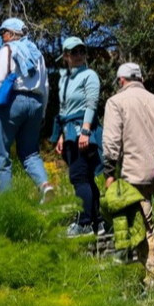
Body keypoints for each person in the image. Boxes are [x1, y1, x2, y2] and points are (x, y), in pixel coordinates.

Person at [0, 17, 54, 200]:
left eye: (3, 33)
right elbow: (46, 86)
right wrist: (43, 113)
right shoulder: (36, 53)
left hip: (13, 102)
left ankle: (7, 202)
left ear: (12, 34)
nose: (2, 38)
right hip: (37, 103)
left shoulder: (7, 50)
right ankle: (45, 185)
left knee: (1, 153)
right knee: (30, 152)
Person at [101, 62, 154, 281]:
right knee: (145, 221)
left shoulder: (116, 102)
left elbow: (111, 141)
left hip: (134, 172)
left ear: (121, 80)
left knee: (142, 227)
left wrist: (109, 173)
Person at [49, 37, 102, 237]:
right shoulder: (64, 79)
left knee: (79, 176)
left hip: (83, 129)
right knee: (85, 178)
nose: (78, 55)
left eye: (81, 51)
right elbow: (63, 108)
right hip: (69, 131)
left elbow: (91, 104)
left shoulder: (90, 75)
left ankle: (85, 223)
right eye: (74, 52)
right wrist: (61, 135)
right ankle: (97, 221)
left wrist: (86, 130)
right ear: (66, 56)